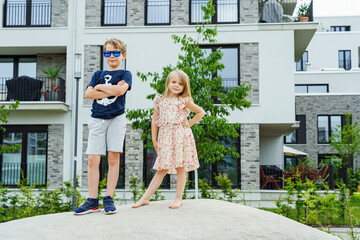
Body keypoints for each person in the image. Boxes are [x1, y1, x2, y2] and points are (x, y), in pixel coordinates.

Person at [74, 38, 132, 215]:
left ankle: (108, 198)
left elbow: (120, 91)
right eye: (108, 53)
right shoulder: (97, 74)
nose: (112, 56)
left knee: (113, 159)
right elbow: (89, 94)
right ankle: (92, 201)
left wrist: (100, 88)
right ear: (104, 55)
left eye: (116, 53)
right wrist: (107, 87)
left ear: (123, 55)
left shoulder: (125, 74)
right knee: (93, 159)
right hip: (97, 119)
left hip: (117, 119)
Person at [132, 70, 205, 209]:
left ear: (185, 87)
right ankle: (145, 198)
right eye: (174, 82)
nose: (177, 85)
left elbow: (200, 112)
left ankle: (178, 198)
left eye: (181, 84)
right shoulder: (160, 99)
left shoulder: (184, 100)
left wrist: (189, 123)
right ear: (168, 83)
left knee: (180, 167)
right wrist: (154, 139)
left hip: (180, 136)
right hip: (165, 136)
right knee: (161, 169)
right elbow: (154, 120)